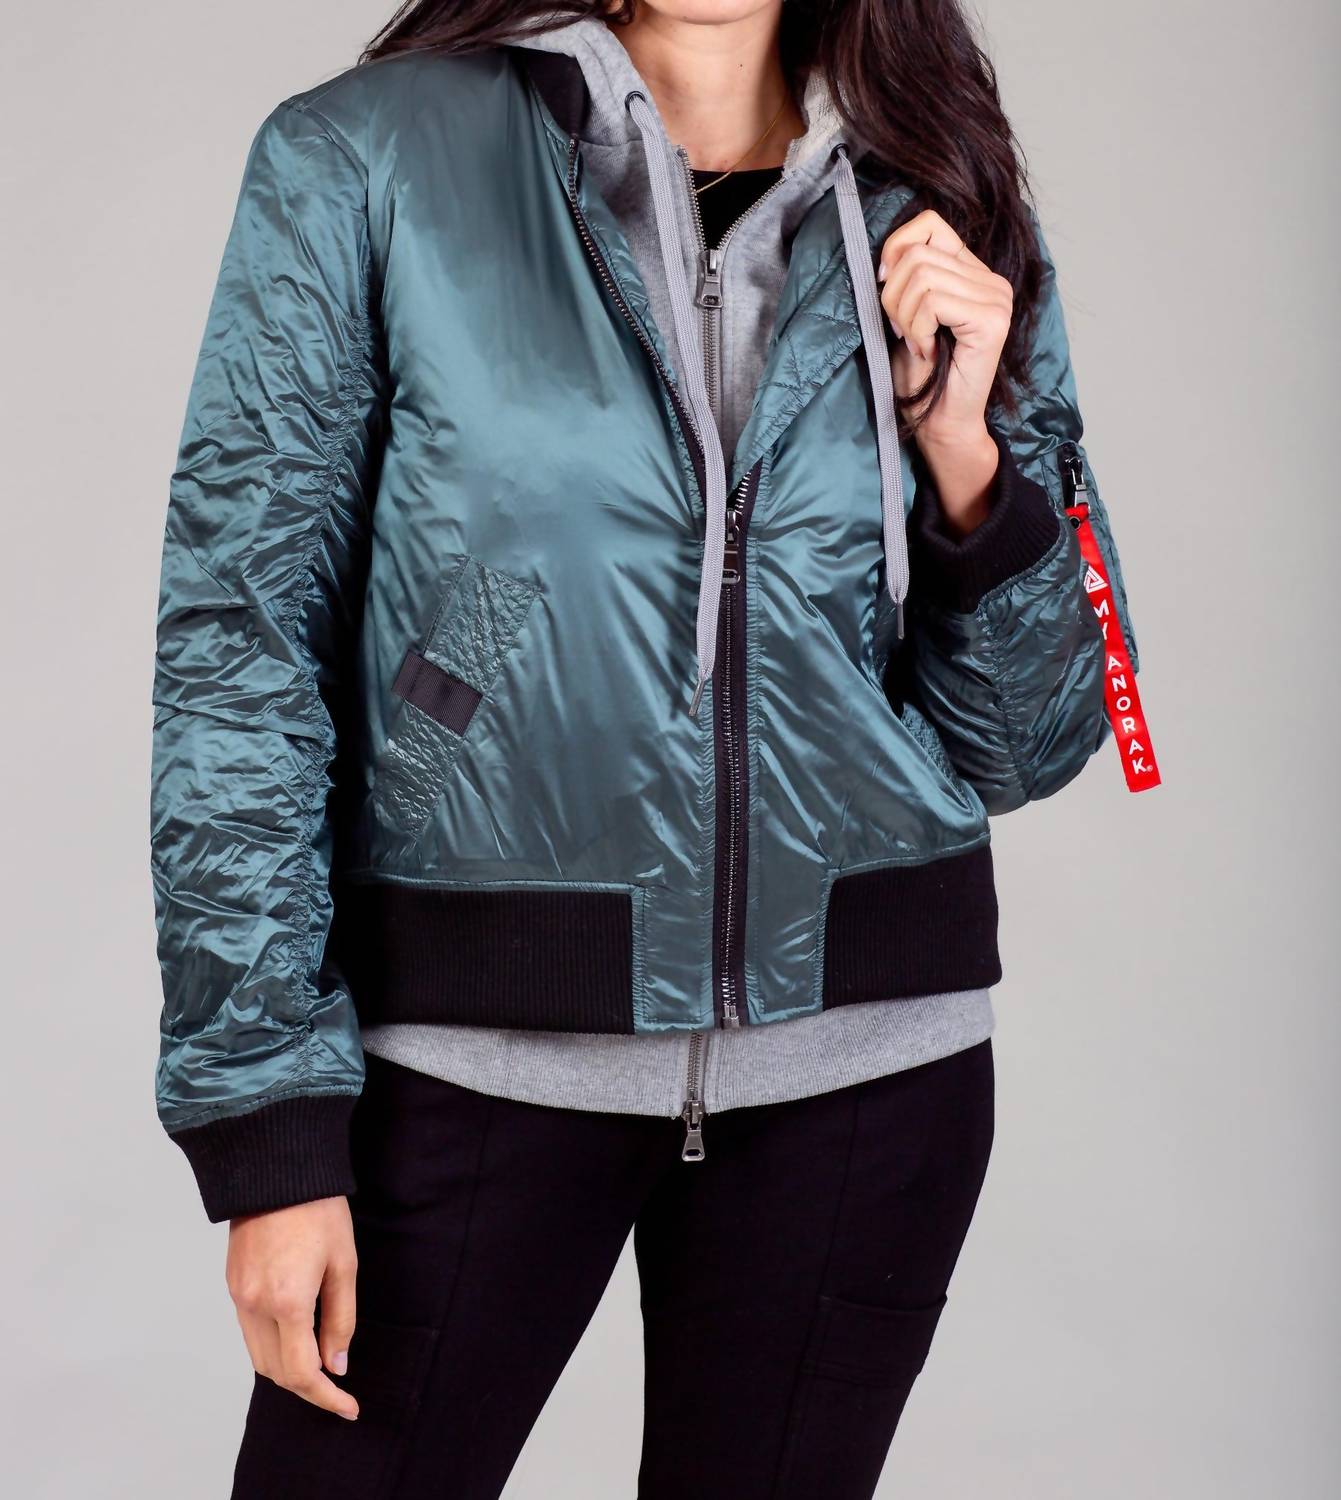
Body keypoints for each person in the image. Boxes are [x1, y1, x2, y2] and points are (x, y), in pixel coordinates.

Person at [150, 2, 1149, 1494]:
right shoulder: (369, 160)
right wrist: (267, 1121)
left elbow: (1035, 737)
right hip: (470, 1042)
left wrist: (963, 451)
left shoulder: (941, 192)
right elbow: (238, 644)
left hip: (867, 1075)